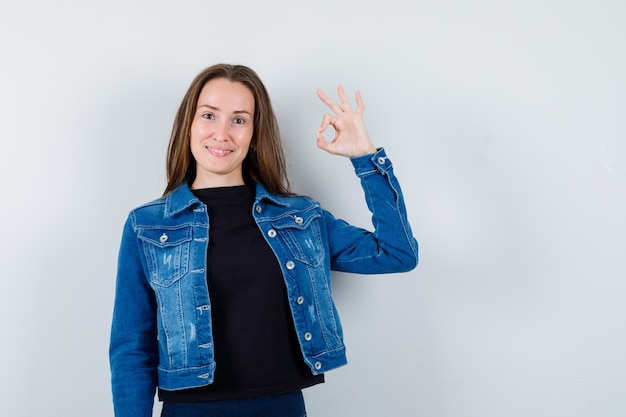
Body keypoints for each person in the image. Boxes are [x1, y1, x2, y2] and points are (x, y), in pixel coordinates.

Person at [109, 63, 418, 417]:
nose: (222, 133)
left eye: (239, 120)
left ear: (255, 133)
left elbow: (397, 253)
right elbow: (132, 348)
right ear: (189, 125)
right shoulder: (147, 227)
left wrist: (365, 157)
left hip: (281, 407)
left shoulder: (299, 218)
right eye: (209, 115)